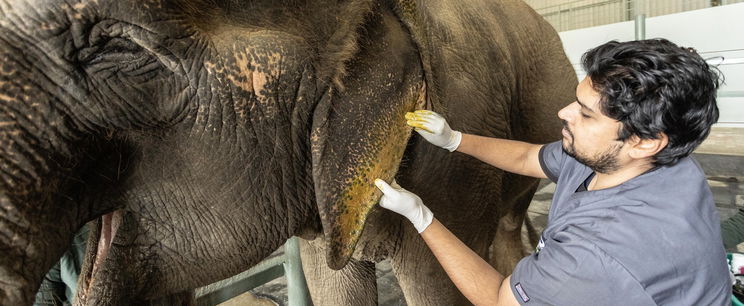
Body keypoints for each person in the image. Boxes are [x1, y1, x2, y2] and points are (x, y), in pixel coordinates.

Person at [374, 39, 731, 305]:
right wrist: (454, 139)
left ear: (644, 142)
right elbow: (529, 158)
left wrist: (421, 217)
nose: (563, 112)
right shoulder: (632, 158)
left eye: (586, 113)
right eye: (576, 101)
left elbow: (501, 299)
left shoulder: (596, 253)